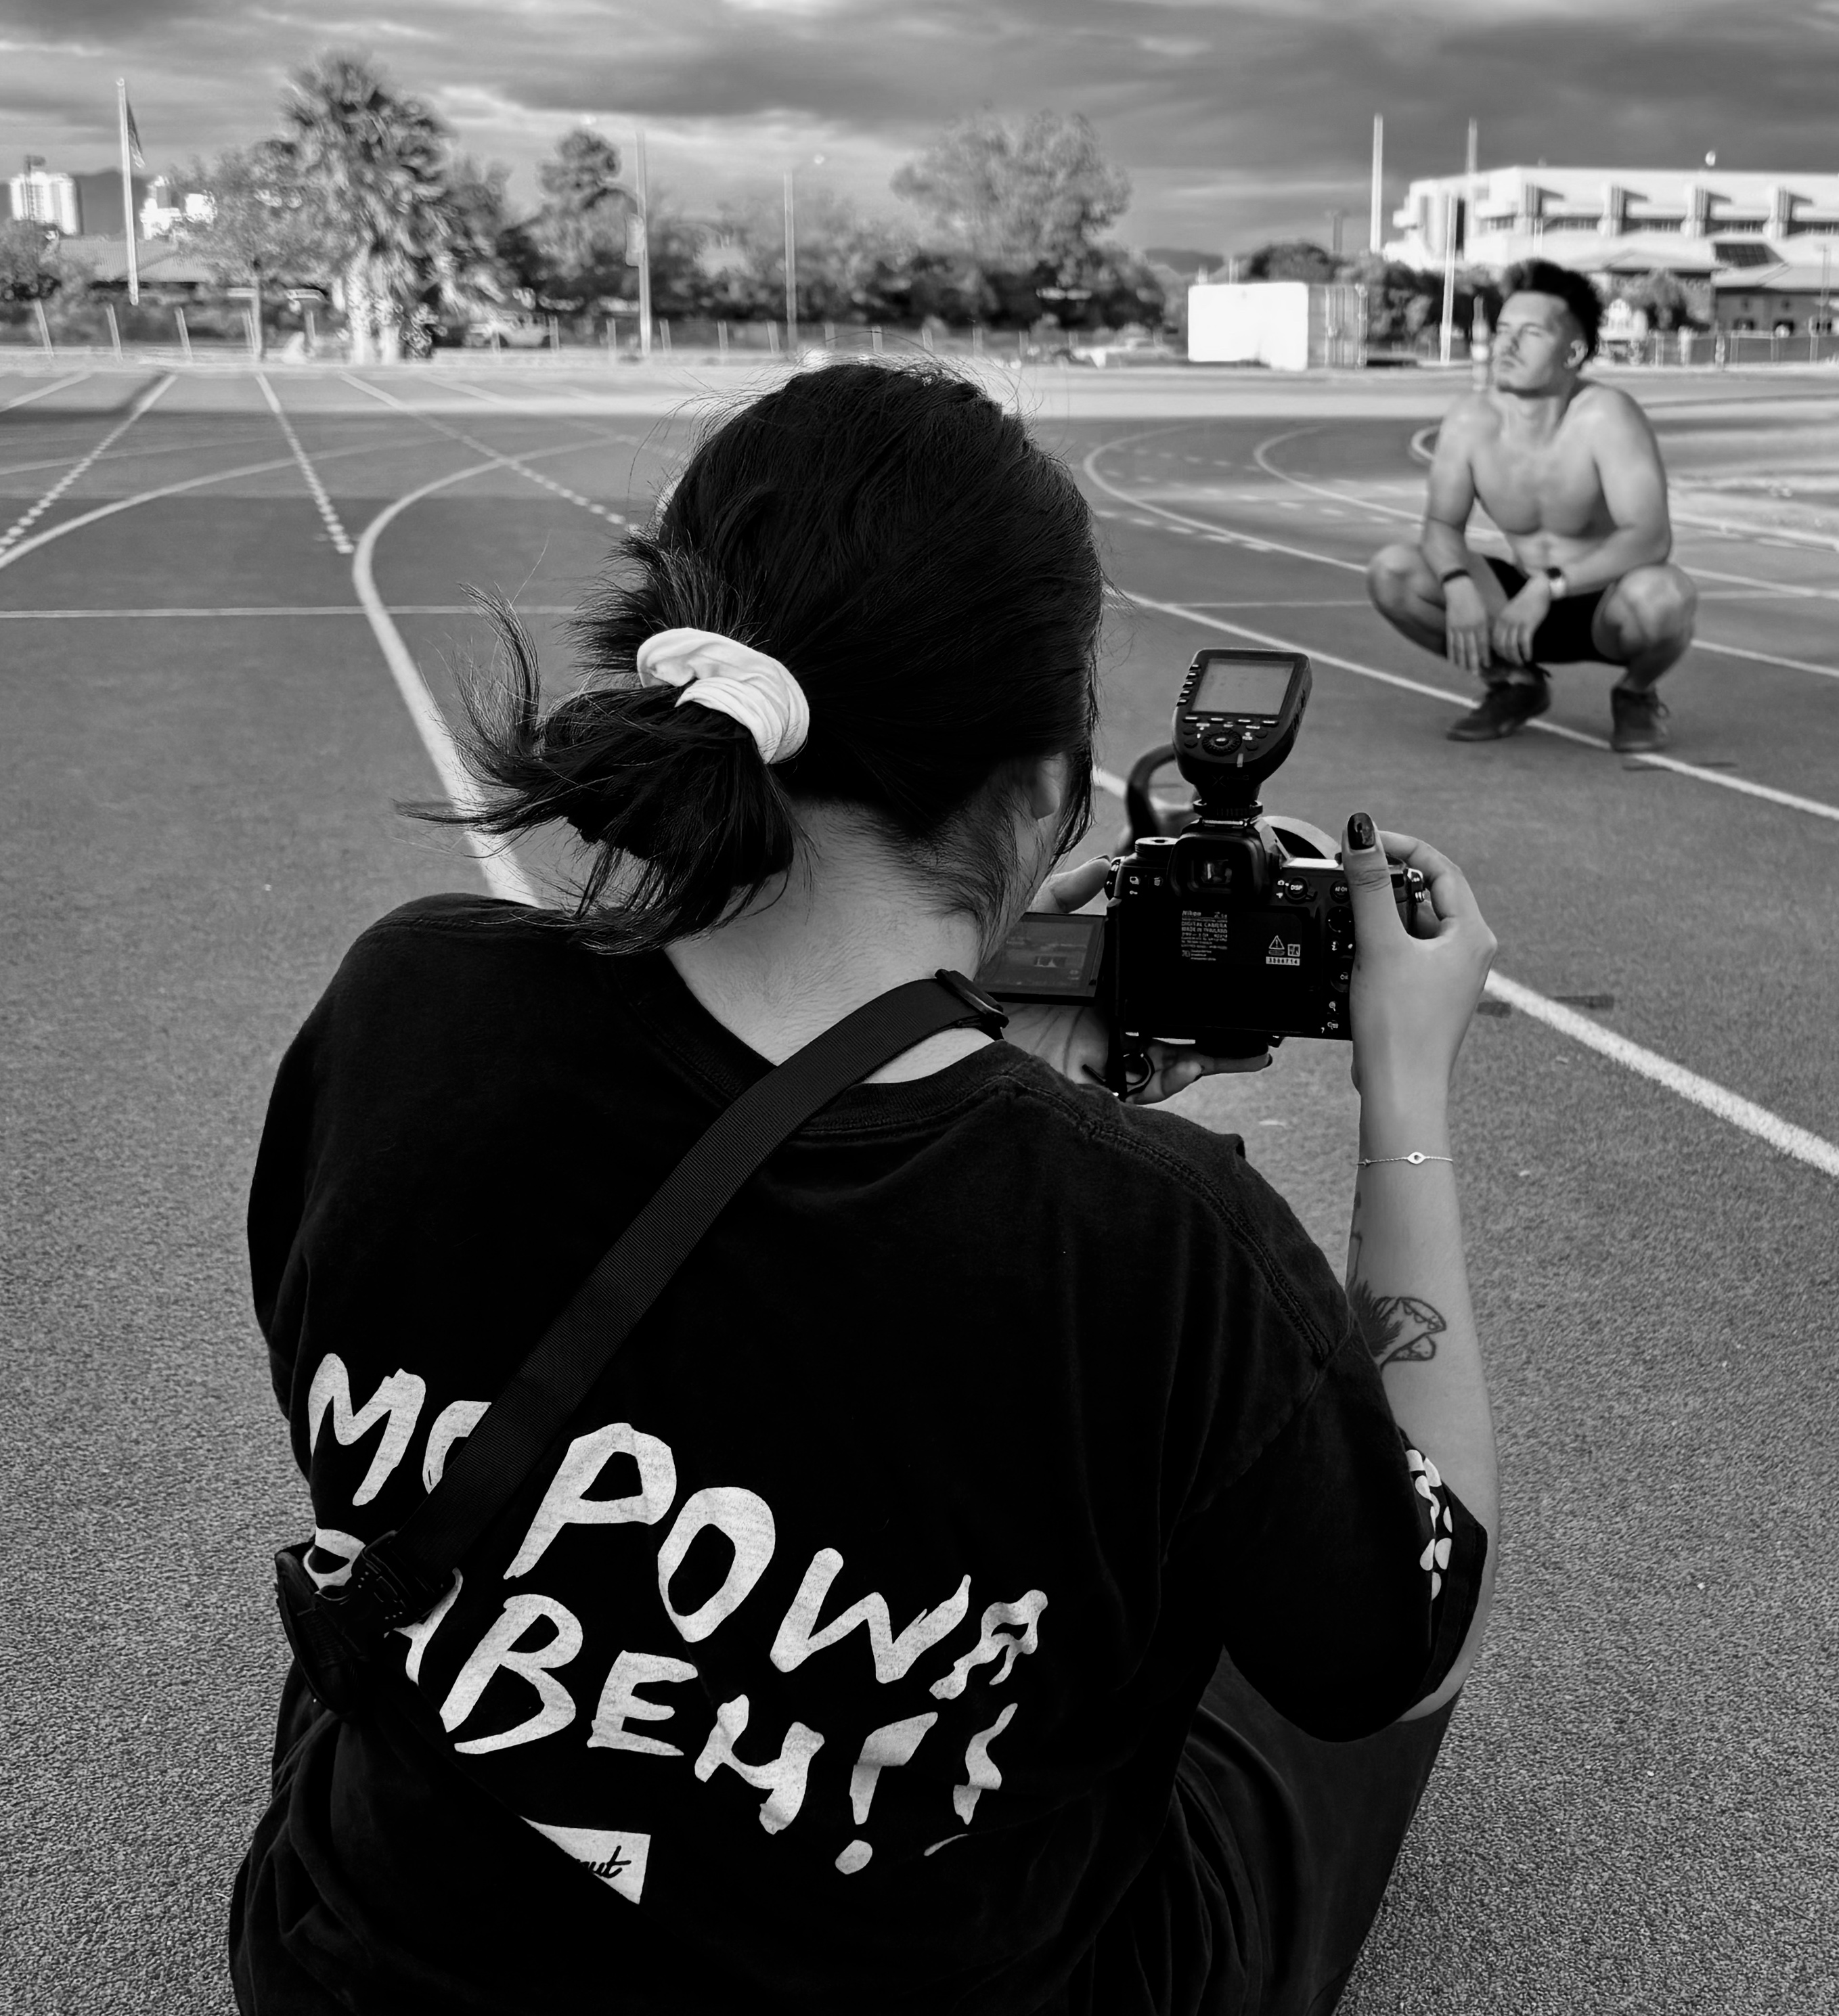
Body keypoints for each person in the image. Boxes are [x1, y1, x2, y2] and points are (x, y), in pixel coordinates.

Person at [231, 362, 1501, 2013]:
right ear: (1048, 788)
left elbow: (733, 1255)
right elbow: (1399, 1641)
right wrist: (1406, 1094)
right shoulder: (1158, 1241)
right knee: (1288, 1645)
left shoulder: (410, 996)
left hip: (364, 1962)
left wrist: (979, 1081)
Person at [1365, 259, 1699, 753]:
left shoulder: (1607, 416)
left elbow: (1649, 537)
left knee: (1666, 596)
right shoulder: (1471, 419)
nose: (1508, 345)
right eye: (1503, 330)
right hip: (1513, 606)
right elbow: (1441, 525)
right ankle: (1513, 682)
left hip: (1603, 603)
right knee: (1392, 572)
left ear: (1573, 352)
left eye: (1531, 333)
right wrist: (1457, 585)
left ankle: (1635, 693)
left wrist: (1551, 585)